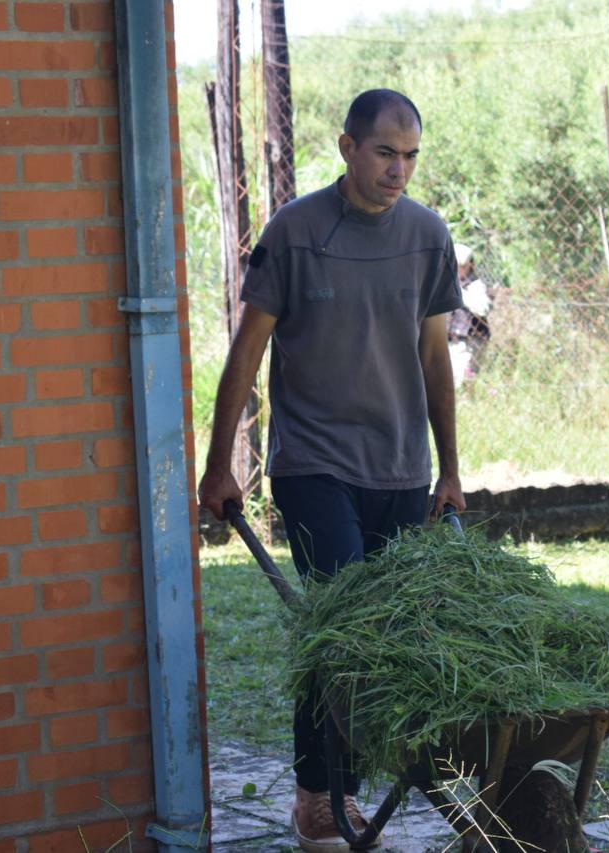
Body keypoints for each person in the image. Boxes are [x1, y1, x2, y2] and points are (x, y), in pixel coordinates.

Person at [197, 89, 466, 852]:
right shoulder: (296, 231)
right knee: (342, 623)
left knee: (375, 631)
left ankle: (348, 784)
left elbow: (434, 356)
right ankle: (321, 795)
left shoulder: (426, 235)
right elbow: (247, 352)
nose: (399, 170)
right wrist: (220, 463)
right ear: (347, 147)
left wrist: (449, 469)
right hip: (313, 464)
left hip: (400, 467)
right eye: (386, 152)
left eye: (411, 155)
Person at [446, 242, 492, 383]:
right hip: (448, 341)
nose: (458, 270)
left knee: (462, 381)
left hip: (469, 341)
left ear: (470, 266)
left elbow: (483, 308)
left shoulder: (475, 286)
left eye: (462, 266)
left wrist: (459, 293)